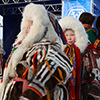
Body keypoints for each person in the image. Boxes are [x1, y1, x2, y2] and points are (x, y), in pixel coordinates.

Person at [0, 3, 73, 100]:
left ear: (40, 29)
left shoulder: (48, 48)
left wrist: (31, 94)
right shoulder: (21, 48)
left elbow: (56, 67)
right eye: (26, 25)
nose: (27, 29)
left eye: (31, 27)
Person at [59, 16, 88, 100]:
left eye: (72, 35)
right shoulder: (61, 50)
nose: (69, 38)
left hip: (75, 80)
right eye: (66, 35)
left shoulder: (79, 50)